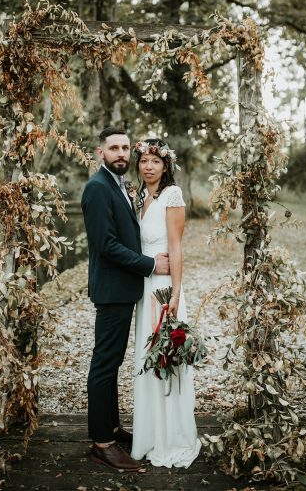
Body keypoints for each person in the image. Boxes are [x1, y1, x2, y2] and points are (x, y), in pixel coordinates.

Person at [81, 127, 170, 472]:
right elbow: (106, 245)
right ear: (100, 152)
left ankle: (112, 428)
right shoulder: (98, 188)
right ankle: (102, 444)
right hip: (112, 290)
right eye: (113, 148)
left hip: (123, 289)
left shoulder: (118, 185)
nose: (120, 153)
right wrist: (149, 264)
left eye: (123, 148)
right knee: (104, 363)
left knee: (113, 361)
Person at [131, 138, 201, 468]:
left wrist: (175, 294)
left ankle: (171, 435)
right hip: (145, 285)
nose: (148, 166)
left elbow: (175, 247)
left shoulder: (172, 195)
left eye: (155, 162)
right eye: (144, 160)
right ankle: (149, 433)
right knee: (148, 355)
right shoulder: (139, 196)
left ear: (165, 165)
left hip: (163, 288)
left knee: (166, 357)